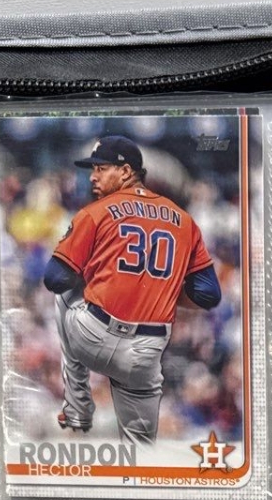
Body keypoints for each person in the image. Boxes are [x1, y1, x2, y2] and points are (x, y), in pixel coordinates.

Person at [44, 134, 221, 443]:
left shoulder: (97, 213)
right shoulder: (184, 221)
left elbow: (55, 278)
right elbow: (208, 294)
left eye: (101, 169)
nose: (94, 176)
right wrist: (161, 289)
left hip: (98, 334)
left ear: (126, 172)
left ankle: (77, 404)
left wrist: (103, 274)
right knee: (142, 437)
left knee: (64, 303)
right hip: (149, 344)